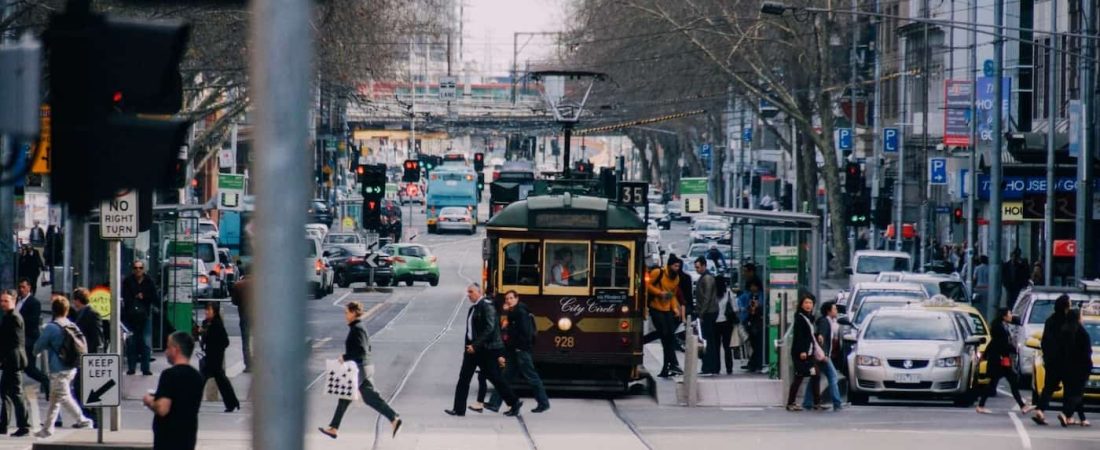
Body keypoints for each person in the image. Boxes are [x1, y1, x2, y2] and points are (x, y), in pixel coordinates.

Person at [319, 301, 402, 439]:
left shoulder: (357, 328)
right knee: (346, 397)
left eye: (347, 313)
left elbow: (362, 350)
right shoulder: (358, 327)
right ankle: (333, 428)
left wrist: (344, 357)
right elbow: (367, 348)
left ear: (353, 312)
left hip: (360, 370)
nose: (345, 316)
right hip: (362, 368)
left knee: (369, 398)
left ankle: (394, 418)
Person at [445, 283, 523, 417]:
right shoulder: (473, 308)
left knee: (495, 377)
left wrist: (475, 345)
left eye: (471, 292)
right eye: (468, 292)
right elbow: (471, 330)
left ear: (479, 292)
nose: (468, 295)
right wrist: (469, 346)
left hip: (484, 349)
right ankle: (458, 409)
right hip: (472, 349)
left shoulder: (486, 306)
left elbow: (490, 328)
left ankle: (514, 402)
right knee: (464, 378)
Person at [33, 295, 94, 438]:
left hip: (58, 368)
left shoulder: (51, 327)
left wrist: (39, 350)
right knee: (55, 399)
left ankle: (83, 420)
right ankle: (48, 428)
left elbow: (38, 347)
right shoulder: (72, 325)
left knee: (63, 397)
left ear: (53, 311)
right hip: (71, 366)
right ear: (67, 310)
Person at [486, 290, 550, 413]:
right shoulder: (514, 311)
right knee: (504, 377)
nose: (509, 301)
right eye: (507, 299)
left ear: (517, 298)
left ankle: (543, 403)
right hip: (515, 350)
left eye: (511, 298)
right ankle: (494, 403)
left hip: (521, 351)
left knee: (531, 377)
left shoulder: (520, 312)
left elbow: (525, 333)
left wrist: (519, 346)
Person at [144, 332, 204, 450]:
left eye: (168, 347)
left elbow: (162, 408)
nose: (166, 351)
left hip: (168, 440)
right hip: (188, 438)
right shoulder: (196, 376)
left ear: (175, 349)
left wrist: (149, 401)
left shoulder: (169, 375)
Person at [975, 308, 1032, 414]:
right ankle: (1022, 406)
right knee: (1005, 382)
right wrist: (1013, 349)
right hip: (999, 360)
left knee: (1001, 382)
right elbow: (1001, 344)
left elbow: (993, 343)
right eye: (1009, 314)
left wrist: (985, 354)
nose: (1011, 315)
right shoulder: (999, 328)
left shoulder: (1000, 326)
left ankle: (1022, 406)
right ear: (1004, 316)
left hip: (999, 360)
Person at [1032, 294, 1071, 425]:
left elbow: (1044, 341)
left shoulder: (1050, 320)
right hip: (1066, 360)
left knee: (1048, 387)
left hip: (1051, 360)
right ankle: (1065, 414)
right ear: (1066, 306)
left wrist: (1047, 356)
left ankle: (1040, 410)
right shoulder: (1068, 321)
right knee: (1069, 387)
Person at [197, 302, 240, 413]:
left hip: (215, 357)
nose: (206, 312)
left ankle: (193, 403)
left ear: (214, 311)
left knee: (202, 380)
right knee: (221, 381)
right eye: (206, 309)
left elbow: (225, 342)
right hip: (210, 357)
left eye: (209, 310)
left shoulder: (217, 324)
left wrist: (213, 345)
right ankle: (232, 403)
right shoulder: (206, 323)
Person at [645, 255, 683, 378]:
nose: (677, 268)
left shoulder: (676, 278)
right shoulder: (658, 273)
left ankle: (668, 366)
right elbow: (647, 285)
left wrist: (675, 309)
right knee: (665, 335)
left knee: (669, 338)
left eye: (679, 266)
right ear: (669, 265)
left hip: (667, 310)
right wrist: (659, 293)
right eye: (675, 266)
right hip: (656, 308)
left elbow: (672, 294)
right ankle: (671, 364)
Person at [69, 288, 103, 423]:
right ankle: (87, 417)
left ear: (77, 300)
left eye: (74, 300)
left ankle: (91, 417)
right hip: (82, 357)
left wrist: (92, 356)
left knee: (83, 388)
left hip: (89, 357)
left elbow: (97, 338)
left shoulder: (92, 314)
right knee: (79, 388)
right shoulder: (80, 313)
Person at [0, 290, 31, 437]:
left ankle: (24, 425)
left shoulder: (14, 318)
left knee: (16, 394)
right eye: (2, 301)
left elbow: (11, 343)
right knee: (5, 393)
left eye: (6, 301)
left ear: (13, 301)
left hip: (13, 361)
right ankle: (3, 425)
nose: (3, 304)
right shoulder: (9, 317)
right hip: (10, 361)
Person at [1054, 309, 1092, 427]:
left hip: (1066, 367)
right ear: (1078, 318)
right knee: (1078, 393)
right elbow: (1087, 352)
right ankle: (1066, 414)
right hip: (1080, 367)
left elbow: (1059, 350)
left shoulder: (1063, 330)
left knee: (1070, 392)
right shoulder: (1082, 333)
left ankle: (1082, 418)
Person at [123, 259, 159, 376]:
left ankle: (145, 368)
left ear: (144, 269)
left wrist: (144, 296)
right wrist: (135, 296)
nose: (138, 270)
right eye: (136, 268)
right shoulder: (128, 281)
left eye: (140, 268)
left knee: (146, 342)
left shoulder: (149, 281)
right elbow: (125, 296)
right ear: (133, 269)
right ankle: (131, 367)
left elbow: (154, 297)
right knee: (131, 342)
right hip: (131, 316)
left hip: (145, 315)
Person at [806, 301, 843, 411]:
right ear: (828, 311)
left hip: (821, 355)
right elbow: (821, 337)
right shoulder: (824, 322)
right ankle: (837, 403)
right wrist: (825, 353)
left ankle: (807, 402)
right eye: (834, 309)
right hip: (823, 356)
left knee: (814, 378)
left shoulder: (829, 322)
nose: (836, 311)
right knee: (833, 377)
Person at [15, 279, 50, 394]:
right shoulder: (17, 301)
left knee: (29, 368)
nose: (21, 289)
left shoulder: (34, 302)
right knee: (16, 366)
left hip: (29, 340)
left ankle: (46, 381)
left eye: (23, 287)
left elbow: (32, 322)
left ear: (29, 288)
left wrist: (18, 321)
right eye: (19, 287)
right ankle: (15, 388)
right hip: (18, 340)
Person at [786, 293, 820, 411]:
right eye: (806, 303)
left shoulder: (810, 317)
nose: (808, 305)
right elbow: (799, 336)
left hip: (809, 353)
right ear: (801, 304)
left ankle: (816, 403)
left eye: (810, 303)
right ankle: (791, 403)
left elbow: (810, 334)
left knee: (816, 375)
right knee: (799, 377)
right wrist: (802, 351)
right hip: (801, 353)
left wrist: (818, 336)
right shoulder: (800, 318)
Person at [694, 257, 720, 376]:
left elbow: (707, 297)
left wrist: (701, 314)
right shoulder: (704, 277)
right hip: (708, 312)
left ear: (704, 266)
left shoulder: (707, 278)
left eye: (698, 267)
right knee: (708, 339)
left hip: (709, 312)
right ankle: (709, 366)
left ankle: (710, 366)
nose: (696, 269)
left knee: (708, 340)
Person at [738, 280, 764, 372]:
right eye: (751, 286)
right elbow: (744, 306)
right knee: (752, 344)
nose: (753, 288)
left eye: (754, 286)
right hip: (750, 321)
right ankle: (753, 362)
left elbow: (761, 306)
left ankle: (756, 363)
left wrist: (757, 307)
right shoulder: (749, 296)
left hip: (759, 321)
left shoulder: (761, 295)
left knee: (758, 344)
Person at [713, 276, 736, 374]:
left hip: (715, 322)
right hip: (727, 323)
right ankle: (729, 368)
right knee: (727, 347)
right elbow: (735, 308)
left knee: (716, 347)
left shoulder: (712, 293)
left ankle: (717, 368)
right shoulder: (729, 293)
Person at [229, 277, 252, 373]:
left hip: (244, 315)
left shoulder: (238, 285)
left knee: (245, 341)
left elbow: (234, 301)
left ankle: (248, 365)